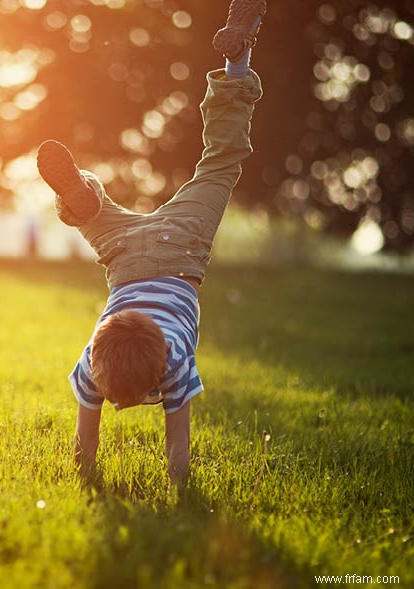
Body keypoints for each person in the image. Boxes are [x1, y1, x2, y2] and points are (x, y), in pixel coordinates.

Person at [36, 0, 266, 486]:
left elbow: (90, 444)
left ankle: (81, 196)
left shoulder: (167, 360)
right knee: (101, 215)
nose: (117, 405)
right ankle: (81, 197)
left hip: (177, 247)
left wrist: (87, 480)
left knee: (219, 163)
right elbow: (173, 448)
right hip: (127, 255)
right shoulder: (98, 361)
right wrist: (173, 486)